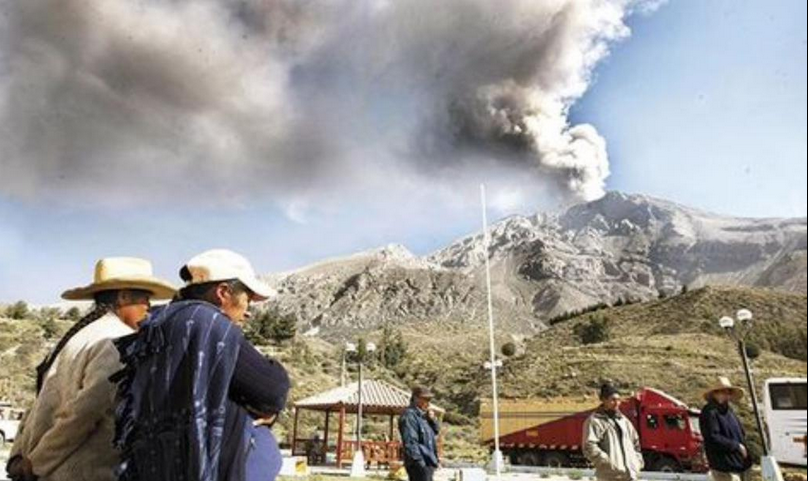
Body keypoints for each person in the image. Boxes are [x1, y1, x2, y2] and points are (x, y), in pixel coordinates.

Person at [113, 249, 290, 481]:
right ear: (223, 292)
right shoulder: (208, 324)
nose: (248, 312)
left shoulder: (160, 322)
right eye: (247, 299)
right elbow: (272, 390)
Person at [6, 257, 176, 481]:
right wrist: (34, 463)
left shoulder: (77, 336)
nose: (148, 308)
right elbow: (84, 413)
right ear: (123, 296)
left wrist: (20, 455)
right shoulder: (118, 342)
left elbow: (40, 402)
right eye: (145, 299)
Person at [583, 383, 644, 481]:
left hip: (630, 475)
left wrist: (637, 462)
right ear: (603, 400)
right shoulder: (595, 421)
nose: (617, 403)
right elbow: (589, 446)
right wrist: (607, 462)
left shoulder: (624, 421)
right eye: (613, 400)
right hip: (610, 476)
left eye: (618, 399)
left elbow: (636, 443)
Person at [699, 377, 753, 481]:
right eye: (723, 392)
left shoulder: (729, 410)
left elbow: (739, 432)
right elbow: (713, 437)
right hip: (724, 467)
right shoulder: (710, 412)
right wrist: (736, 446)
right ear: (715, 393)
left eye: (728, 392)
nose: (726, 395)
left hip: (739, 465)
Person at [399, 386, 440, 481]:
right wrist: (419, 462)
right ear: (416, 398)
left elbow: (436, 431)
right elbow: (410, 441)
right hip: (419, 463)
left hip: (428, 461)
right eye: (426, 399)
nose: (428, 402)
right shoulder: (409, 416)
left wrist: (432, 420)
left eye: (429, 399)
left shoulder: (424, 417)